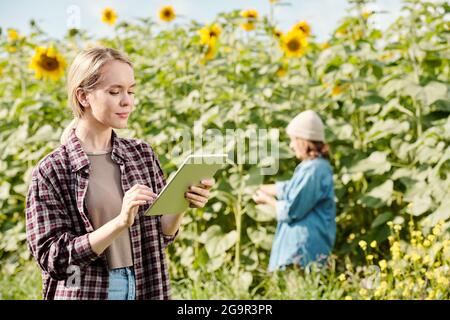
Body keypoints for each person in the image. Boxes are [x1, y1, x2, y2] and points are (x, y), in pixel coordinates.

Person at [25, 47, 213, 300]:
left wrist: (181, 200)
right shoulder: (51, 171)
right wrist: (119, 222)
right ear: (83, 96)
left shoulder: (141, 154)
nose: (127, 101)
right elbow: (54, 259)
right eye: (115, 92)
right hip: (89, 291)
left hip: (145, 282)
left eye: (131, 91)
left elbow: (160, 236)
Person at [252, 110, 336, 271]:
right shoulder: (312, 167)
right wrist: (264, 188)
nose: (291, 145)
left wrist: (267, 200)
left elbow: (293, 209)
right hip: (301, 249)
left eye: (293, 139)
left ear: (304, 141)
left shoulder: (314, 170)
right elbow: (290, 188)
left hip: (304, 250)